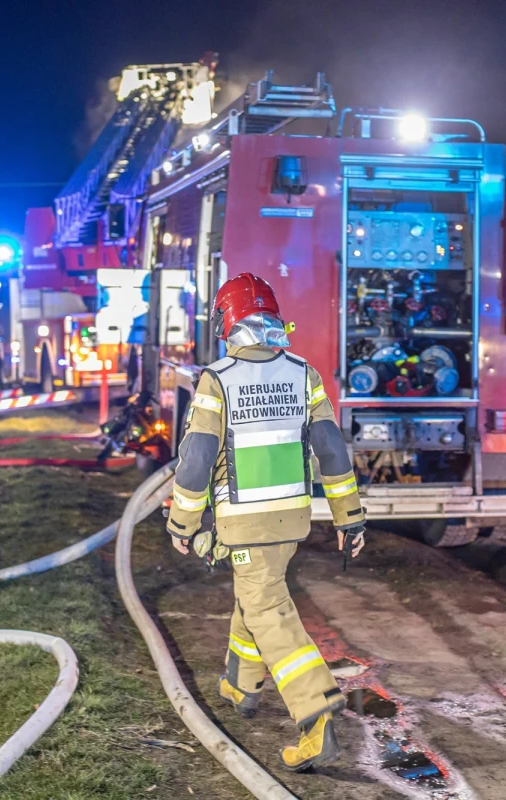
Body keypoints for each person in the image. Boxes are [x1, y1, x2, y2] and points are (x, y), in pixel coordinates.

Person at [165, 273, 366, 772]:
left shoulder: (216, 379)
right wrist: (349, 517)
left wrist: (182, 522)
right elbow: (331, 449)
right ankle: (242, 685)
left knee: (270, 612)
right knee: (258, 593)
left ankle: (316, 716)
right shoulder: (304, 373)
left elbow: (195, 460)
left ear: (225, 323)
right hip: (291, 519)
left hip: (242, 521)